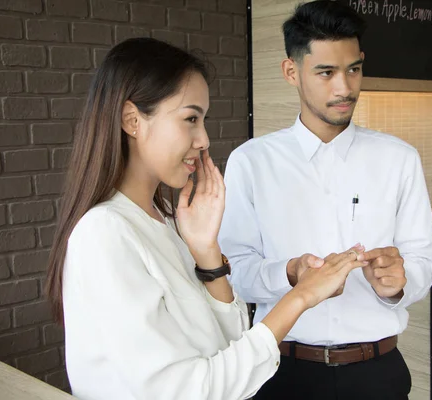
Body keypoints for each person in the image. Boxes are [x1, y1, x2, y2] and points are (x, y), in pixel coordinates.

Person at [45, 37, 369, 400]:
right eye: (190, 119)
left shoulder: (164, 221)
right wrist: (301, 297)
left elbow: (229, 347)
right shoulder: (104, 233)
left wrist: (207, 254)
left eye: (203, 120)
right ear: (132, 119)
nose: (203, 139)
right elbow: (187, 391)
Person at [218, 2, 432, 399]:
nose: (345, 87)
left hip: (377, 373)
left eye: (353, 69)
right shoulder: (251, 162)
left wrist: (398, 283)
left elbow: (423, 259)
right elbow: (234, 273)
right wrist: (289, 273)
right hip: (283, 374)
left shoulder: (399, 158)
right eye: (326, 73)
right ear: (292, 72)